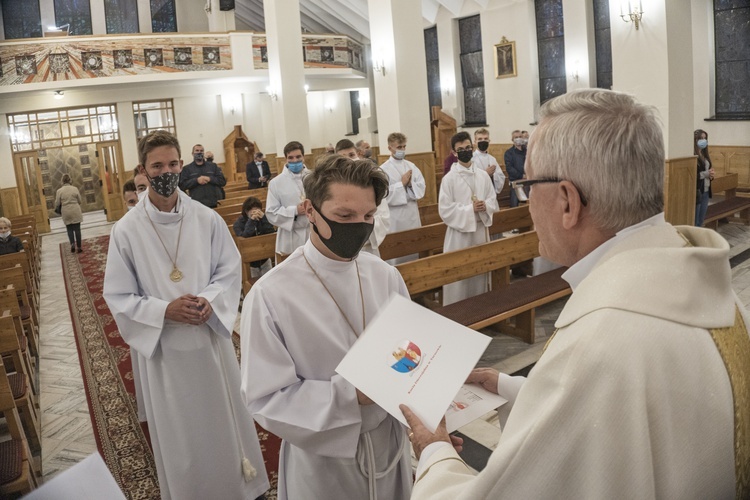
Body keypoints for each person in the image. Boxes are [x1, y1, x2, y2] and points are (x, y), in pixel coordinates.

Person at [401, 89, 749, 499]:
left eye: (528, 186)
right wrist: (512, 387)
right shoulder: (709, 287)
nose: (527, 203)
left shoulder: (599, 344)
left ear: (567, 201)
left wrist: (435, 451)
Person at [102, 130, 269, 500]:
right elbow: (118, 294)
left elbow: (228, 270)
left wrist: (211, 300)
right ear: (142, 170)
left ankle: (238, 484)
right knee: (183, 431)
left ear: (182, 165)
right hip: (166, 348)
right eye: (157, 165)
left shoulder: (205, 218)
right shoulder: (126, 231)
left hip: (209, 339)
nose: (167, 171)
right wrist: (165, 310)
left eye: (173, 164)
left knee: (222, 419)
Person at [240, 154, 413, 500]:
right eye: (344, 216)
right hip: (324, 461)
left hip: (389, 444)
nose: (359, 227)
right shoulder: (272, 294)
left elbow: (410, 353)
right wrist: (352, 395)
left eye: (368, 216)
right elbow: (266, 398)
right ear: (309, 211)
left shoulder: (385, 275)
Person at [439, 132, 499, 305]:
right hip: (459, 236)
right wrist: (469, 209)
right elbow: (445, 210)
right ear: (454, 153)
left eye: (467, 148)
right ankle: (457, 311)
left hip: (480, 231)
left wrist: (485, 206)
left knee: (479, 273)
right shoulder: (449, 179)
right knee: (460, 278)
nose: (465, 151)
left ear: (472, 148)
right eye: (460, 149)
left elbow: (492, 199)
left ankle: (480, 308)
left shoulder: (482, 175)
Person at [336, 139, 390, 257]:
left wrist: (361, 226)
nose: (349, 160)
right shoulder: (333, 186)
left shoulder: (373, 183)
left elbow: (384, 216)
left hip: (369, 247)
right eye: (343, 157)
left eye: (351, 155)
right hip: (343, 249)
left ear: (358, 154)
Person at [380, 132, 426, 264]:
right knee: (397, 255)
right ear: (390, 148)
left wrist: (411, 184)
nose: (402, 150)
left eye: (404, 146)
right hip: (395, 218)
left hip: (412, 214)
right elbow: (383, 195)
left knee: (413, 250)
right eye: (399, 147)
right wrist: (402, 184)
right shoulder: (383, 170)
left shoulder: (411, 166)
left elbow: (421, 187)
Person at [265, 141, 311, 262]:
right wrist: (295, 211)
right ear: (285, 159)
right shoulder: (276, 183)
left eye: (298, 157)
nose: (295, 160)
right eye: (290, 157)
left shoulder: (314, 177)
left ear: (303, 157)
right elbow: (271, 213)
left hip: (313, 232)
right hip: (289, 236)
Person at [234, 196, 275, 278]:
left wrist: (264, 218)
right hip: (249, 263)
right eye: (252, 210)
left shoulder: (263, 218)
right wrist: (251, 221)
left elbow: (271, 232)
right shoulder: (238, 223)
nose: (255, 212)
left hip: (265, 258)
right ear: (246, 211)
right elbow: (245, 237)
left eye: (257, 209)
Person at [178, 143, 227, 208]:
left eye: (201, 151)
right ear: (192, 153)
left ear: (203, 153)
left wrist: (210, 179)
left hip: (213, 203)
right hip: (196, 204)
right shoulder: (187, 169)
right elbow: (182, 185)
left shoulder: (213, 166)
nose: (199, 152)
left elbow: (222, 181)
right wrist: (196, 180)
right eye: (197, 151)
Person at [55, 173, 83, 253]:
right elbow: (80, 201)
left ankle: (72, 244)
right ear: (70, 180)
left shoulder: (59, 191)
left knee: (69, 229)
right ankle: (79, 247)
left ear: (62, 181)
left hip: (66, 211)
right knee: (77, 229)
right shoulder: (75, 189)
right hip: (75, 209)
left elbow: (57, 203)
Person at [472, 128, 506, 194]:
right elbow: (469, 179)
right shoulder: (471, 159)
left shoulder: (492, 159)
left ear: (489, 141)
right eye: (480, 139)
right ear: (475, 142)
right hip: (478, 194)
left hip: (491, 193)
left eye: (485, 139)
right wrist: (485, 173)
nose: (483, 141)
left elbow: (501, 177)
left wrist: (493, 175)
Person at [695, 128, 714, 227]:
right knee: (695, 221)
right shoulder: (693, 155)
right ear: (695, 140)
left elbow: (708, 170)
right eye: (701, 138)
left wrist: (710, 175)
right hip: (698, 191)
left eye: (705, 138)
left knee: (701, 220)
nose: (703, 140)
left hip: (706, 190)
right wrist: (705, 174)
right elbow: (694, 175)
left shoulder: (704, 154)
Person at [503, 130, 527, 207]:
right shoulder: (509, 153)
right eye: (516, 137)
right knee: (514, 206)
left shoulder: (527, 151)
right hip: (516, 183)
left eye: (520, 137)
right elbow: (509, 168)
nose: (518, 138)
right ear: (512, 140)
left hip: (528, 181)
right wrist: (522, 176)